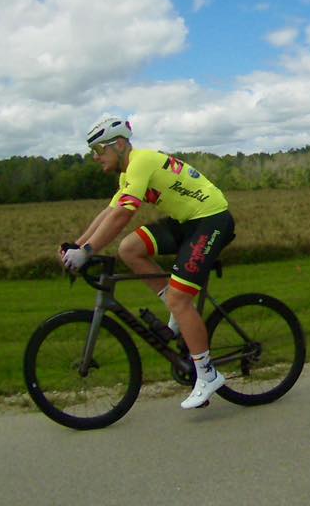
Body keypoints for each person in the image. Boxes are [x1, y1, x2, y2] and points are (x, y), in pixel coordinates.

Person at [60, 117, 236, 409]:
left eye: (99, 149)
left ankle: (208, 375)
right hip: (188, 221)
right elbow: (109, 212)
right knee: (130, 249)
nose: (95, 157)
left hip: (211, 220)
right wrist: (77, 246)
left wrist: (88, 251)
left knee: (180, 299)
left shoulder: (140, 162)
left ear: (119, 144)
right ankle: (177, 313)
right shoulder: (128, 173)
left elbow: (123, 215)